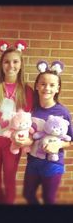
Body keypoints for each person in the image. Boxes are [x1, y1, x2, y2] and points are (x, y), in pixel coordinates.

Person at [0, 40, 34, 204]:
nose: (11, 65)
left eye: (15, 61)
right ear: (1, 64)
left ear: (21, 64)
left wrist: (24, 140)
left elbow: (27, 120)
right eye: (6, 61)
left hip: (12, 143)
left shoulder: (26, 90)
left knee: (10, 180)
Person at [22, 60, 73, 204]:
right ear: (37, 86)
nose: (47, 88)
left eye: (52, 85)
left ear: (58, 88)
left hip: (53, 164)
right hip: (33, 161)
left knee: (49, 199)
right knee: (28, 194)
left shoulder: (62, 112)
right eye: (43, 84)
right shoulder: (32, 109)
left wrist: (57, 146)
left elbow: (70, 140)